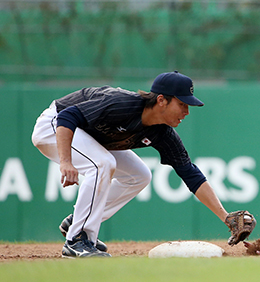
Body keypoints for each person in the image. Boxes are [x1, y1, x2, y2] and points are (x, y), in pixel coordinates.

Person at [31, 71, 235, 258]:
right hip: (55, 125)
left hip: (87, 137)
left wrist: (227, 219)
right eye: (182, 104)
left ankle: (77, 222)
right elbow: (68, 116)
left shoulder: (162, 133)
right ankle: (77, 240)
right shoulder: (121, 103)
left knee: (139, 175)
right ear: (162, 100)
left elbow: (190, 174)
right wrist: (66, 161)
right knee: (102, 163)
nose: (187, 111)